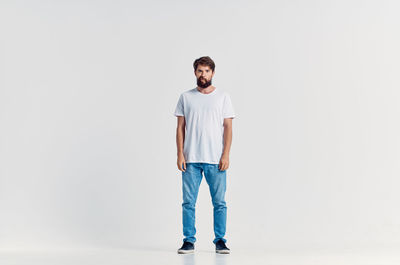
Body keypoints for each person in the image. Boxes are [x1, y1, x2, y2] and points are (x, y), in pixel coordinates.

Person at [174, 56, 235, 254]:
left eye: (207, 71)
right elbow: (180, 128)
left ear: (213, 73)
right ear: (195, 73)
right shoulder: (186, 97)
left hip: (215, 160)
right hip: (191, 159)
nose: (203, 75)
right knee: (188, 203)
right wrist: (180, 155)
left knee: (219, 203)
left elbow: (228, 128)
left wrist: (225, 155)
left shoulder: (223, 97)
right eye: (200, 71)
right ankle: (189, 240)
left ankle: (220, 241)